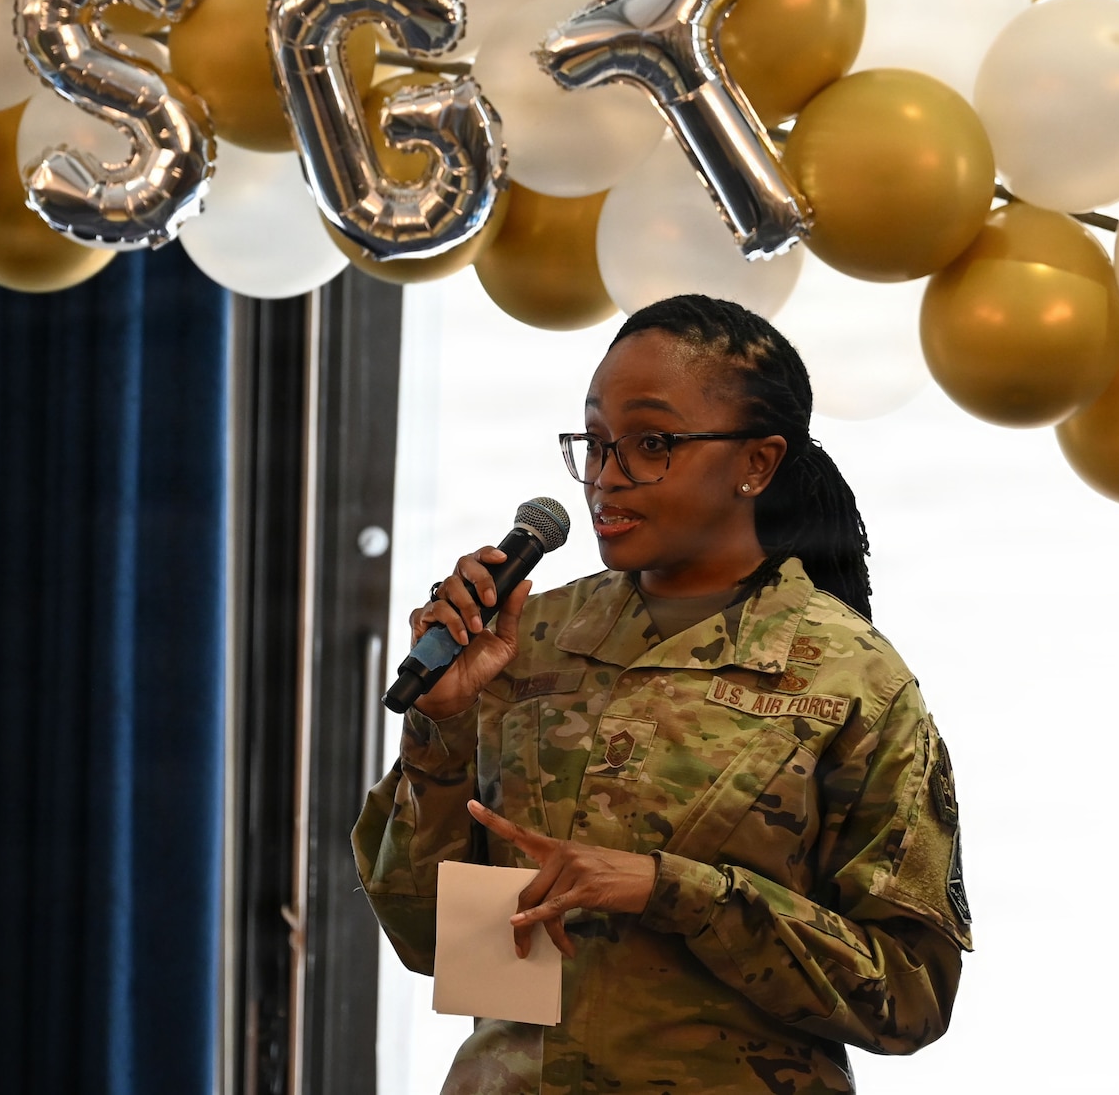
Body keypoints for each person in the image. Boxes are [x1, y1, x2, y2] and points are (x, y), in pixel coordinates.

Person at [354, 294, 971, 1094]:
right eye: (597, 444)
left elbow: (911, 995)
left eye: (651, 444)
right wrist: (441, 727)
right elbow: (435, 940)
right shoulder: (523, 638)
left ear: (757, 462)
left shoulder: (850, 680)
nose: (607, 479)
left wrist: (669, 889)